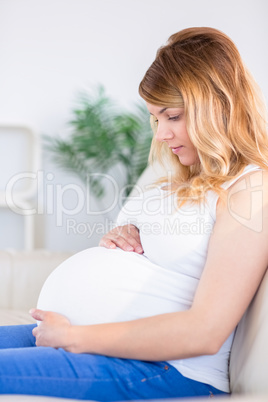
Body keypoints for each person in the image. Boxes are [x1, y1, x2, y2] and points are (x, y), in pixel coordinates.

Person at [0, 27, 267, 401]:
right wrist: (121, 235)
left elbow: (205, 331)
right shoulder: (180, 181)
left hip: (163, 370)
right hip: (99, 345)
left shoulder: (250, 191)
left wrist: (74, 337)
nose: (160, 134)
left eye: (172, 116)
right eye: (155, 119)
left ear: (218, 106)